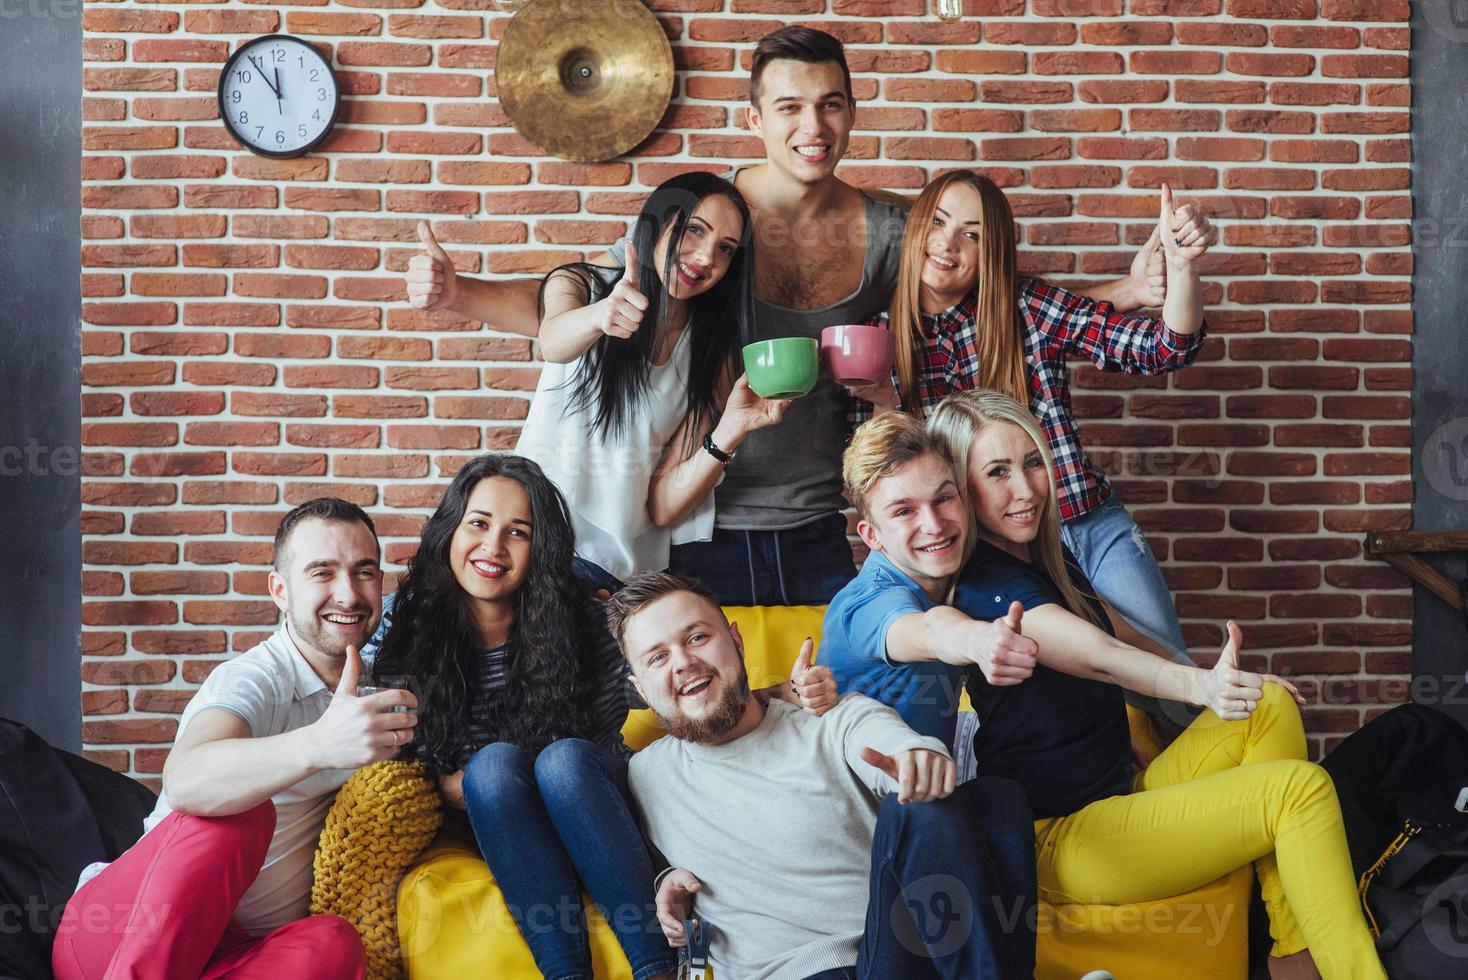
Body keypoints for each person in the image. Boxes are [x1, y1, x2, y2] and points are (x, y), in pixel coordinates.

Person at [405, 26, 1164, 607]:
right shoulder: (707, 221)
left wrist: (1123, 296)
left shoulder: (891, 229)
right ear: (756, 117)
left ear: (852, 112)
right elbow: (583, 299)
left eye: (831, 105)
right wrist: (458, 294)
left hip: (816, 522)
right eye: (791, 107)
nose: (814, 126)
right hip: (695, 521)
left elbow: (985, 287)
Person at [834, 403, 1385, 979]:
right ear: (965, 487)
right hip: (1064, 840)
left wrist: (1211, 685)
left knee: (1266, 704)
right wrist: (1199, 685)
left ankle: (1288, 946)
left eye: (1031, 464)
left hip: (1117, 792)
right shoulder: (987, 587)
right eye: (996, 473)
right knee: (1300, 791)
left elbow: (1128, 637)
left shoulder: (1045, 554)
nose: (1024, 488)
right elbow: (1102, 658)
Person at [365, 454, 836, 980]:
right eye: (478, 523)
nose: (493, 548)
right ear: (451, 528)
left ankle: (657, 967)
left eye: (518, 532)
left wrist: (776, 692)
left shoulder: (582, 619)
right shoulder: (402, 626)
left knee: (563, 760)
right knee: (494, 768)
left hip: (595, 806)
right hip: (504, 823)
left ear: (539, 548)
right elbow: (384, 746)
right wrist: (452, 786)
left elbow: (676, 690)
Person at [848, 169, 1216, 681]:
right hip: (990, 552)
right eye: (937, 221)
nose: (947, 243)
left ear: (991, 250)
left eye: (972, 234)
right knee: (1083, 684)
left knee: (1166, 668)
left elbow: (1164, 347)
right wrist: (887, 401)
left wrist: (1183, 269)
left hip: (1084, 523)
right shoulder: (872, 341)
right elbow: (880, 475)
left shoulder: (1027, 307)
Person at [606, 572, 1038, 979]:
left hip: (892, 954)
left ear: (736, 642)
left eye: (698, 637)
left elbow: (887, 740)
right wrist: (668, 891)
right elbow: (687, 936)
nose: (682, 662)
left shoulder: (830, 718)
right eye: (658, 657)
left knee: (991, 799)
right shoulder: (644, 776)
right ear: (642, 689)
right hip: (789, 973)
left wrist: (915, 756)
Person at [53, 498, 413, 979]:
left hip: (236, 955)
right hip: (117, 936)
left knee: (332, 941)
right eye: (322, 573)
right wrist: (320, 743)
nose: (348, 594)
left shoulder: (379, 695)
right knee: (240, 812)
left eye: (364, 571)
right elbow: (186, 781)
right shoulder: (253, 679)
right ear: (280, 591)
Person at [516, 172, 789, 595]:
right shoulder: (578, 284)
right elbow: (553, 343)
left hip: (624, 580)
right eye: (694, 230)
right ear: (657, 223)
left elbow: (662, 506)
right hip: (540, 552)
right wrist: (600, 316)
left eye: (726, 249)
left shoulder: (711, 354)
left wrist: (730, 432)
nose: (704, 257)